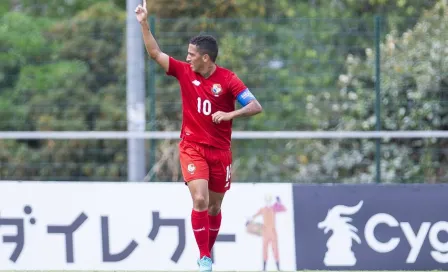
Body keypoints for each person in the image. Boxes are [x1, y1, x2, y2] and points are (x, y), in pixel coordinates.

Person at [135, 1, 263, 271]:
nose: (187, 57)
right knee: (200, 199)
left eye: (192, 54)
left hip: (220, 152)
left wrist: (230, 115)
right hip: (192, 147)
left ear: (206, 58)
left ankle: (206, 253)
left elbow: (255, 106)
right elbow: (155, 52)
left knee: (215, 207)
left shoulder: (228, 80)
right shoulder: (184, 72)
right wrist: (144, 23)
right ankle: (205, 258)